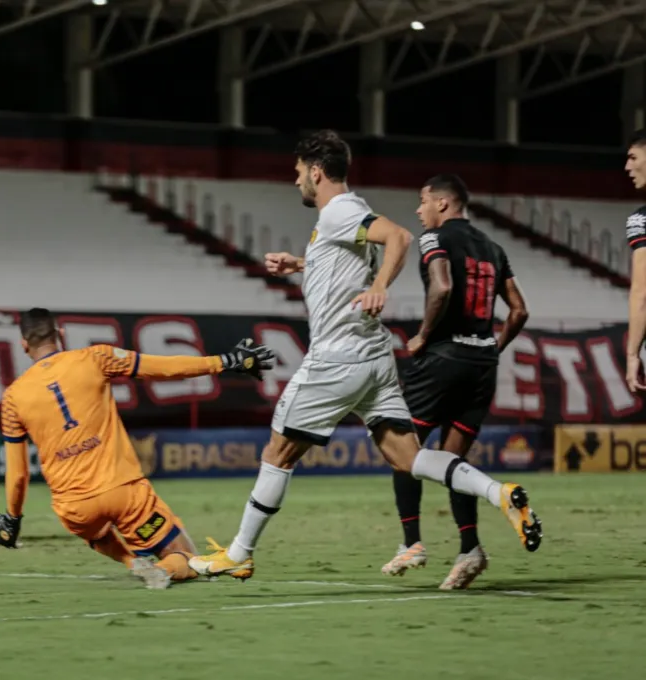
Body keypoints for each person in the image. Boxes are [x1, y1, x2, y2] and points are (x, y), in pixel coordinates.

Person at [188, 130, 542, 581]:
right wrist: (299, 263)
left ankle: (238, 554)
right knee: (407, 458)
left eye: (298, 171)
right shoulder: (339, 219)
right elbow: (348, 259)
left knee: (278, 452)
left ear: (316, 171)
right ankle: (500, 493)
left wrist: (379, 288)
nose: (295, 179)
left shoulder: (340, 209)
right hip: (374, 358)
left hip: (338, 356)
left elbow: (398, 237)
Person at [0, 308, 274, 589]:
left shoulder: (13, 397)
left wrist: (13, 519)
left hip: (75, 507)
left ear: (24, 344)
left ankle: (132, 562)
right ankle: (162, 570)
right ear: (61, 334)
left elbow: (18, 474)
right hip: (123, 493)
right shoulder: (94, 358)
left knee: (97, 534)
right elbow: (162, 367)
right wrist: (225, 361)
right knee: (184, 556)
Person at [382, 174, 532, 590]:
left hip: (442, 361)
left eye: (422, 200)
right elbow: (519, 311)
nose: (418, 209)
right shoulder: (494, 248)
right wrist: (492, 348)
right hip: (482, 364)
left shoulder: (435, 240)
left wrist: (424, 336)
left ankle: (411, 542)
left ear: (443, 204)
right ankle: (470, 549)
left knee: (403, 449)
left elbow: (443, 286)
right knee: (454, 462)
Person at [624, 130, 646, 393]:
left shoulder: (641, 220)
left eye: (633, 157)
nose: (627, 166)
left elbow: (642, 291)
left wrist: (632, 355)